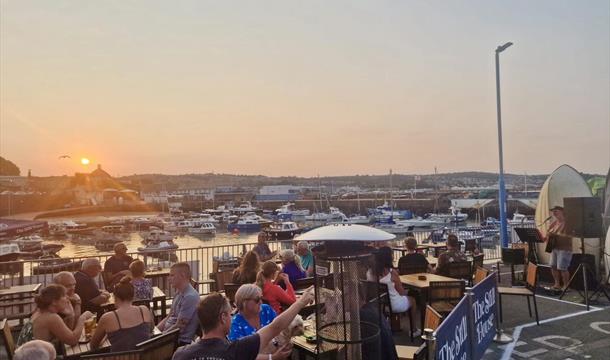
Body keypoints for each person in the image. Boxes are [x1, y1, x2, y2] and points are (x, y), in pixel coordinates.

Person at [171, 287, 315, 360]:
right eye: (229, 314)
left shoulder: (180, 355)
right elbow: (276, 326)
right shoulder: (237, 350)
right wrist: (301, 302)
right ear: (222, 318)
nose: (232, 317)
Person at [17, 284, 93, 347]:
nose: (68, 298)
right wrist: (83, 318)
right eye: (64, 295)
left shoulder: (39, 312)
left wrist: (71, 316)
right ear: (54, 302)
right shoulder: (51, 318)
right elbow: (72, 340)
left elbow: (66, 337)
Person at [90, 277, 153, 352]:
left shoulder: (108, 318)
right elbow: (151, 328)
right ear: (133, 296)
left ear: (115, 297)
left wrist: (106, 337)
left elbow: (93, 345)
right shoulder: (144, 310)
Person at [366, 247, 418, 333]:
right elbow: (401, 293)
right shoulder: (391, 273)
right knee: (413, 300)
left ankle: (391, 323)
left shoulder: (369, 272)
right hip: (394, 305)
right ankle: (414, 329)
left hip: (379, 305)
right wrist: (408, 292)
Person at [157, 262, 200, 346]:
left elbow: (179, 327)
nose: (169, 278)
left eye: (172, 275)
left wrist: (159, 338)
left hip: (178, 342)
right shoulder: (179, 292)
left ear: (182, 275)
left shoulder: (190, 297)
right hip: (168, 337)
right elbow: (169, 317)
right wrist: (155, 331)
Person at [358, 284, 398, 360]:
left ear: (356, 297)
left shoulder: (363, 316)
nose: (343, 299)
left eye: (346, 295)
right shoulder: (372, 309)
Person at [546, 205, 573, 291]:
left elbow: (568, 235)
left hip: (564, 248)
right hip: (555, 247)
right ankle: (557, 284)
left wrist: (554, 235)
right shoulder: (554, 223)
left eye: (556, 211)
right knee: (553, 266)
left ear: (562, 212)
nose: (554, 212)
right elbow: (548, 233)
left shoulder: (568, 223)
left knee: (562, 268)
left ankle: (566, 286)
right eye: (553, 211)